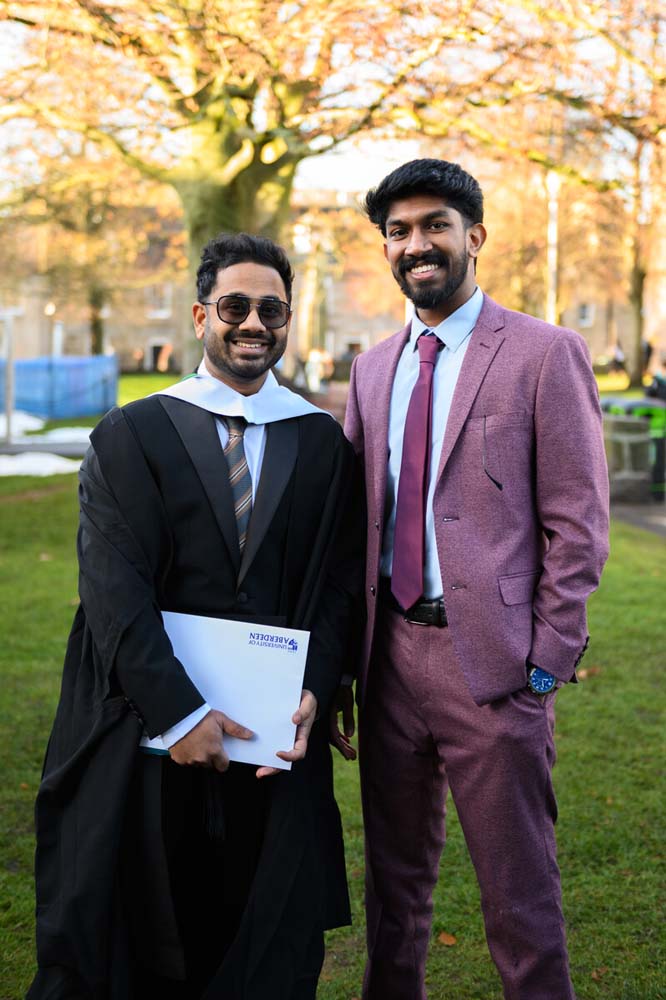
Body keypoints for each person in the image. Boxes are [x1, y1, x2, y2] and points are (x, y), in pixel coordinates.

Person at [29, 233, 362, 1000]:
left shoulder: (320, 443)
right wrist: (179, 716)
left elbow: (339, 584)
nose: (253, 324)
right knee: (142, 937)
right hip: (146, 735)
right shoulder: (132, 434)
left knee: (259, 939)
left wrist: (317, 684)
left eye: (271, 310)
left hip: (270, 748)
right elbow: (112, 588)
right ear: (200, 315)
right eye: (234, 306)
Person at [330, 159, 610, 1000]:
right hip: (387, 665)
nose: (416, 244)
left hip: (492, 665)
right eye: (399, 231)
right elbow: (355, 524)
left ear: (474, 236)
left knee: (519, 901)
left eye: (435, 226)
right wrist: (344, 662)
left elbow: (579, 523)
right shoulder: (372, 369)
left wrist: (546, 661)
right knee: (393, 892)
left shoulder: (544, 353)